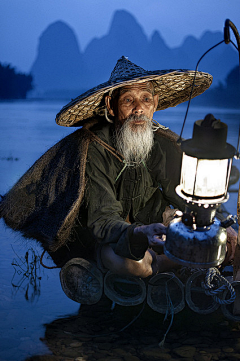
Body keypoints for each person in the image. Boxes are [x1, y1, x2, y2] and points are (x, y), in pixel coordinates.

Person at [0, 57, 237, 303]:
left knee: (228, 238)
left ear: (155, 104)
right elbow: (103, 221)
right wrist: (141, 232)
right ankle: (171, 264)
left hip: (156, 229)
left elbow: (189, 194)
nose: (138, 108)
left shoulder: (160, 142)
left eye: (145, 99)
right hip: (112, 241)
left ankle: (177, 261)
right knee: (129, 263)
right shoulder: (94, 150)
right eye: (128, 101)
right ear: (111, 107)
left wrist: (218, 222)